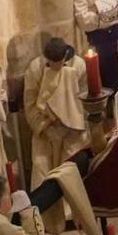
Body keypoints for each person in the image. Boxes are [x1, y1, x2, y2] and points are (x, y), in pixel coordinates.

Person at [21, 37, 90, 183]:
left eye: (59, 62)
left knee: (72, 173)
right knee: (41, 170)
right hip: (46, 132)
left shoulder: (78, 65)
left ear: (65, 56)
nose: (56, 66)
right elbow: (30, 104)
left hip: (73, 132)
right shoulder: (35, 69)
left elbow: (85, 98)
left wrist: (74, 123)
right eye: (52, 63)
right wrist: (46, 128)